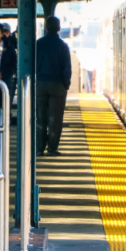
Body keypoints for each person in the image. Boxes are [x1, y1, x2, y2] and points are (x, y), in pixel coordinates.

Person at [36, 16, 71, 156]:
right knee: (55, 119)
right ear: (58, 28)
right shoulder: (63, 46)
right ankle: (52, 148)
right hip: (57, 85)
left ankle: (39, 148)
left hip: (40, 84)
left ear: (45, 27)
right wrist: (65, 84)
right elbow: (66, 68)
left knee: (40, 117)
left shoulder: (38, 44)